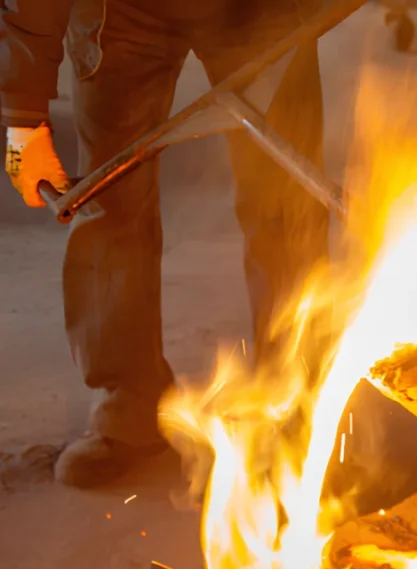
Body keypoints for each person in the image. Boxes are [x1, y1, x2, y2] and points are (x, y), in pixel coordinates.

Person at [1, 0, 330, 487]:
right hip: (124, 13)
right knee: (108, 205)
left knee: (287, 206)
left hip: (260, 9)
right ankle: (127, 410)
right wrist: (22, 116)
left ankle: (301, 413)